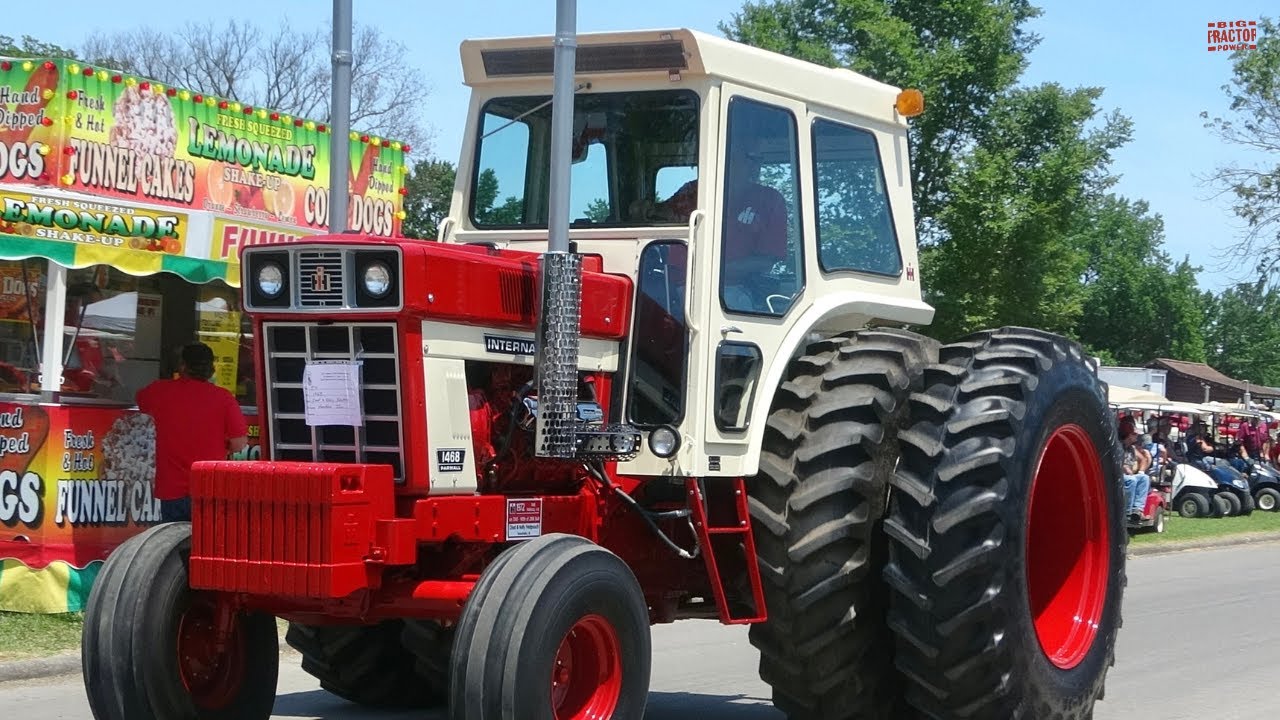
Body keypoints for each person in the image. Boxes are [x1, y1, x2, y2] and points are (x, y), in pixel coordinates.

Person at [136, 342, 248, 522]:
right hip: (209, 489)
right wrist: (224, 447)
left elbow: (140, 401)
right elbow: (240, 443)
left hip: (172, 490)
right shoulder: (224, 398)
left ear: (182, 366)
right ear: (211, 369)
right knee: (206, 546)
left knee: (174, 545)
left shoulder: (160, 391)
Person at [1119, 417, 1150, 523]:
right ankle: (1126, 513)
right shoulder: (1117, 447)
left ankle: (1137, 510)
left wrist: (1141, 471)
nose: (1137, 436)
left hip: (1129, 475)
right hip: (1116, 476)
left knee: (1144, 478)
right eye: (1135, 434)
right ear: (1128, 435)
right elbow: (1115, 462)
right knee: (1131, 480)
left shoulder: (1132, 448)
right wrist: (1124, 467)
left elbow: (1143, 459)